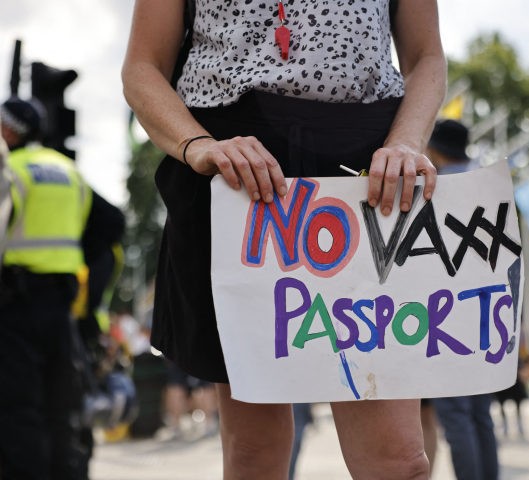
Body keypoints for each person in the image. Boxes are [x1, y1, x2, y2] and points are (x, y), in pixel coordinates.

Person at [121, 0, 446, 477]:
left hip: (366, 169)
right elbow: (143, 66)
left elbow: (426, 56)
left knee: (398, 460)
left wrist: (407, 142)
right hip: (236, 169)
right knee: (255, 450)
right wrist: (198, 145)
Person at [0, 96, 93, 479]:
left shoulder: (12, 170)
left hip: (16, 302)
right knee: (61, 403)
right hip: (62, 302)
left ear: (10, 130)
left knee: (19, 404)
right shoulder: (69, 171)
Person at [426, 119, 500, 480]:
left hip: (447, 312)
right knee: (479, 414)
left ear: (434, 148)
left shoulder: (437, 187)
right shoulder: (485, 183)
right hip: (486, 311)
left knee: (456, 415)